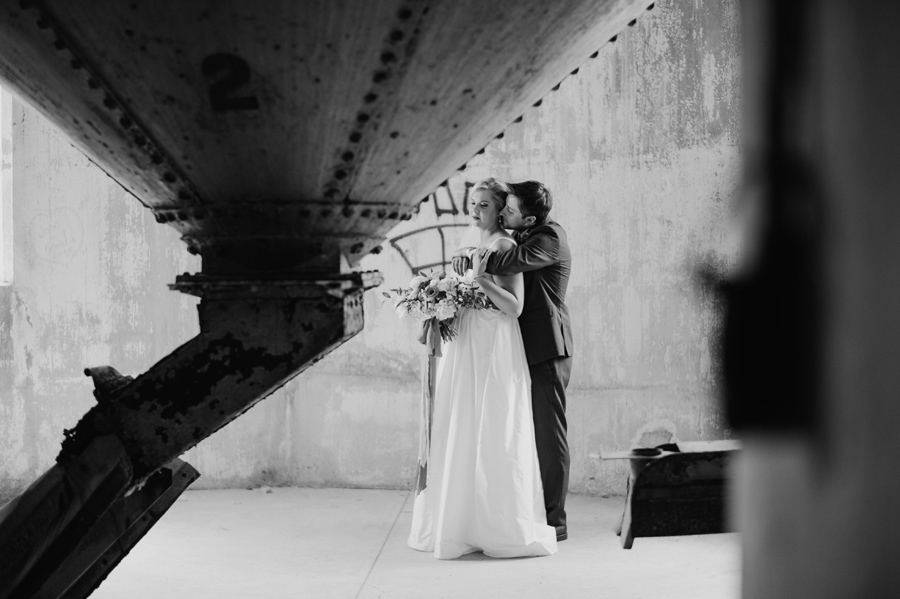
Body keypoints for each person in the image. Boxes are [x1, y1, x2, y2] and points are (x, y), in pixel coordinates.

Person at [407, 178, 557, 560]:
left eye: (485, 205)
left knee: (491, 425)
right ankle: (460, 522)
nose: (475, 211)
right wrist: (438, 300)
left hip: (493, 345)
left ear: (500, 209)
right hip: (467, 343)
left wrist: (479, 279)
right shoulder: (475, 246)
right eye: (473, 204)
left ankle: (495, 524)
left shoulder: (505, 245)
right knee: (462, 425)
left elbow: (514, 306)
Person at [457, 180, 573, 542]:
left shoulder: (548, 237)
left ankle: (556, 522)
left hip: (546, 347)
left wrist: (474, 257)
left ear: (530, 217)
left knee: (548, 436)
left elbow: (510, 260)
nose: (504, 213)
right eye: (503, 207)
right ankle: (529, 509)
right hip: (520, 345)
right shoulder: (525, 233)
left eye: (510, 209)